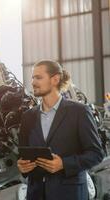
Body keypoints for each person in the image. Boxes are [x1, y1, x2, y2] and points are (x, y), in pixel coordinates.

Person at [17, 59, 104, 200]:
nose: (33, 82)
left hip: (70, 194)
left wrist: (64, 164)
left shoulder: (79, 112)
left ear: (55, 79)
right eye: (33, 77)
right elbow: (22, 154)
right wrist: (22, 166)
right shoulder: (28, 116)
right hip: (36, 194)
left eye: (38, 77)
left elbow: (96, 154)